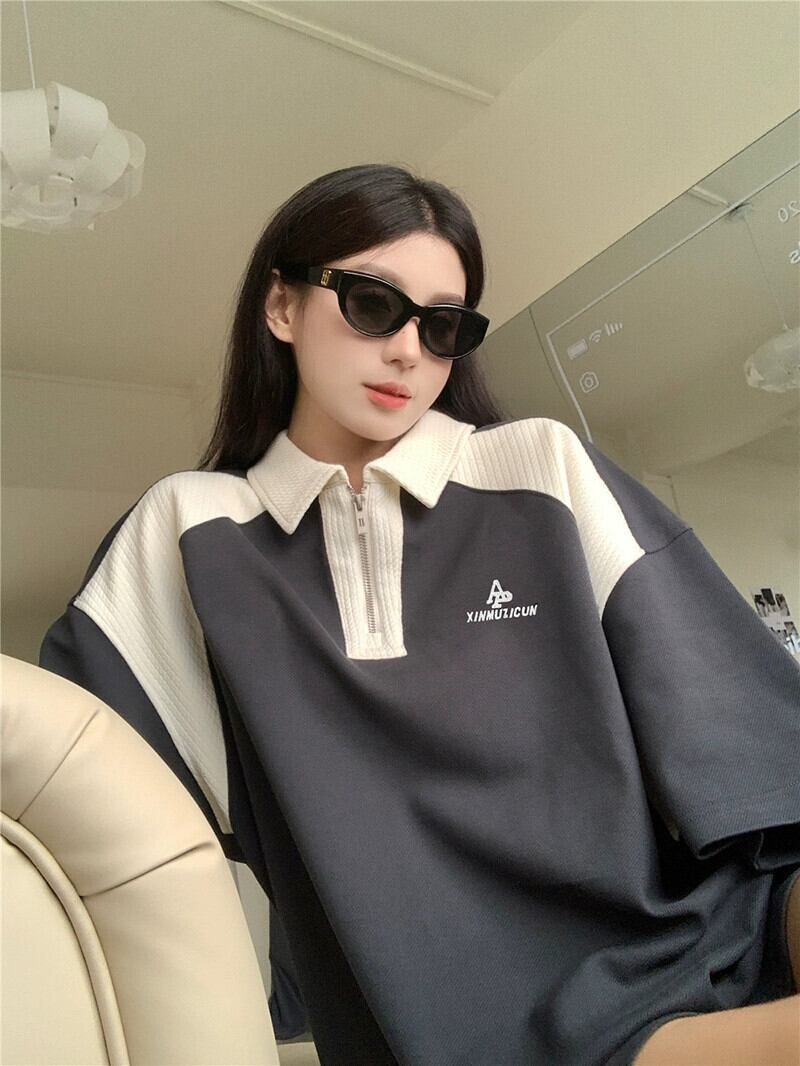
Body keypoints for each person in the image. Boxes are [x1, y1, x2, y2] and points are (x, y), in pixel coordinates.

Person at [40, 163, 799, 1066]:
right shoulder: (187, 534)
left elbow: (744, 739)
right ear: (280, 307)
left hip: (706, 937)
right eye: (373, 305)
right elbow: (68, 789)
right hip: (491, 1033)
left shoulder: (540, 468)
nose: (409, 351)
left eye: (443, 326)